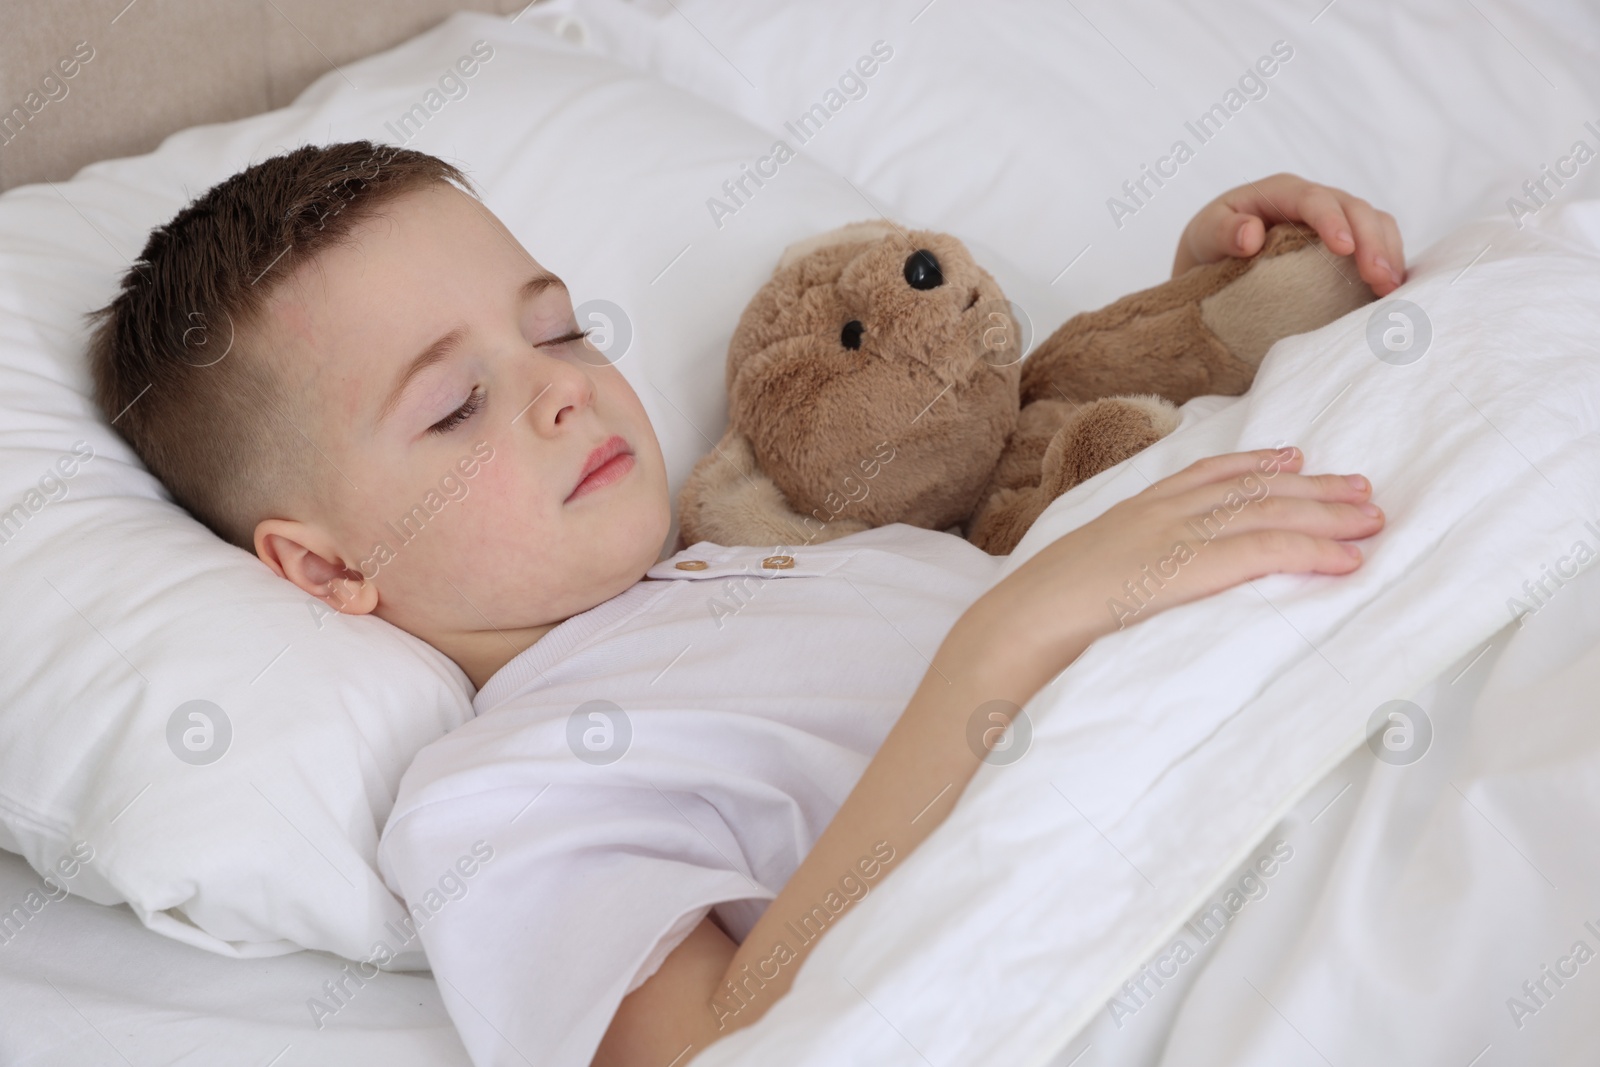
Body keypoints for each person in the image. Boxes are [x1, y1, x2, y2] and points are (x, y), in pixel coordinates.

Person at [88, 142, 1398, 1065]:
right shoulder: (496, 799)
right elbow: (717, 1045)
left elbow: (1039, 480)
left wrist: (1203, 306)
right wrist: (1012, 639)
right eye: (451, 406)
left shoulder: (779, 542)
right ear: (323, 570)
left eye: (552, 330)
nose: (563, 390)